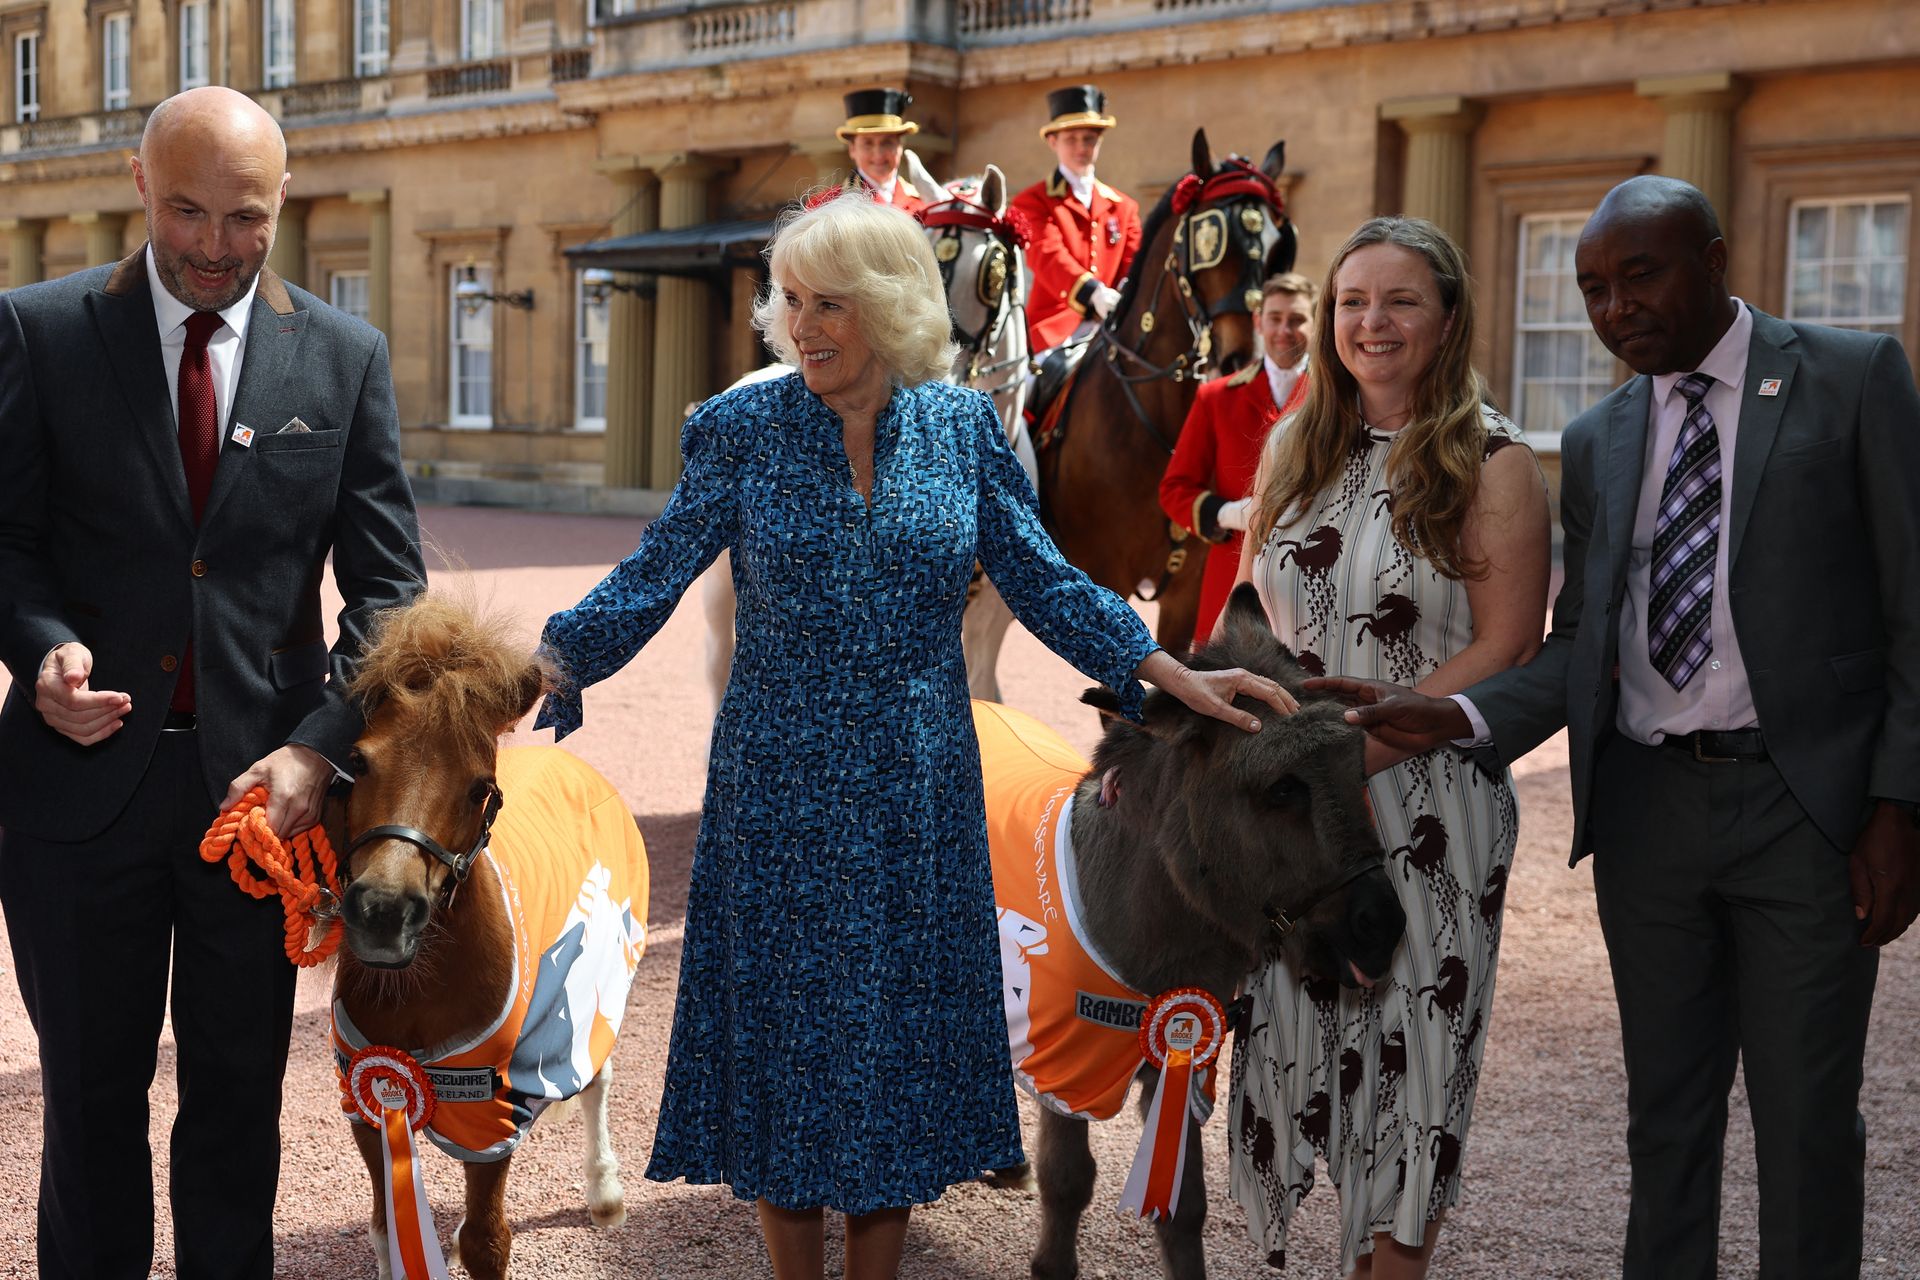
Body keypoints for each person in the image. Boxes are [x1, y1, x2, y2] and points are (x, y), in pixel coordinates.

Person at [532, 191, 1292, 1280]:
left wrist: (1164, 671)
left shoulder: (961, 429)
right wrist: (554, 658)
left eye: (828, 304)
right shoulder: (739, 429)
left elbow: (1044, 579)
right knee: (793, 1059)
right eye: (790, 301)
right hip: (779, 786)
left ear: (888, 306)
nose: (801, 326)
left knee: (891, 1062)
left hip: (919, 786)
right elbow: (655, 570)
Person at [1304, 176, 1920, 1279]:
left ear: (1714, 260)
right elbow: (1582, 642)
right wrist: (1455, 712)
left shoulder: (1853, 377)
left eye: (1641, 275)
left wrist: (1898, 803)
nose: (1615, 307)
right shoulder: (1598, 438)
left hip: (1808, 814)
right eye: (1593, 288)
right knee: (1666, 1126)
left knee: (1808, 1124)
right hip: (1649, 819)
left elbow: (1914, 607)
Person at [0, 86, 423, 1280]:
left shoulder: (345, 356)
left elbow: (387, 593)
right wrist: (41, 648)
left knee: (237, 1106)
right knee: (88, 1103)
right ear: (140, 183)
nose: (214, 245)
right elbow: (8, 540)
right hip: (76, 798)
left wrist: (318, 746)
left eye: (246, 217)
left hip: (263, 807)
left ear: (283, 199)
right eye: (187, 210)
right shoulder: (38, 329)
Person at [1224, 217, 1552, 1279]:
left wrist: (1354, 751)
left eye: (1402, 300)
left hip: (1427, 805)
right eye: (1354, 301)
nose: (1373, 322)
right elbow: (1249, 613)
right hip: (1295, 823)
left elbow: (1510, 644)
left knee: (1412, 1076)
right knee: (1293, 1045)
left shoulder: (1493, 461)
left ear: (1448, 319)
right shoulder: (1292, 447)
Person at [1159, 271, 1318, 641]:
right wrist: (1230, 514)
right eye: (1275, 318)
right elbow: (1175, 489)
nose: (1284, 330)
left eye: (1297, 319)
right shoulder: (1215, 398)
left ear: (1315, 325)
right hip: (1230, 583)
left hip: (1313, 582)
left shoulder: (1338, 399)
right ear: (1258, 322)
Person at [1008, 84, 1142, 354]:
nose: (1081, 147)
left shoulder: (1124, 207)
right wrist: (1093, 293)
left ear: (1099, 142)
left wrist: (1123, 297)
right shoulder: (1032, 201)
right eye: (1071, 139)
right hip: (1053, 330)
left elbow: (1134, 264)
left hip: (1115, 325)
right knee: (1035, 380)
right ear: (1053, 142)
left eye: (1089, 139)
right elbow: (1047, 255)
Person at [833, 87, 928, 215]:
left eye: (887, 142)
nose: (878, 154)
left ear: (900, 146)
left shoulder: (923, 204)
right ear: (852, 149)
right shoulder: (828, 206)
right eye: (868, 143)